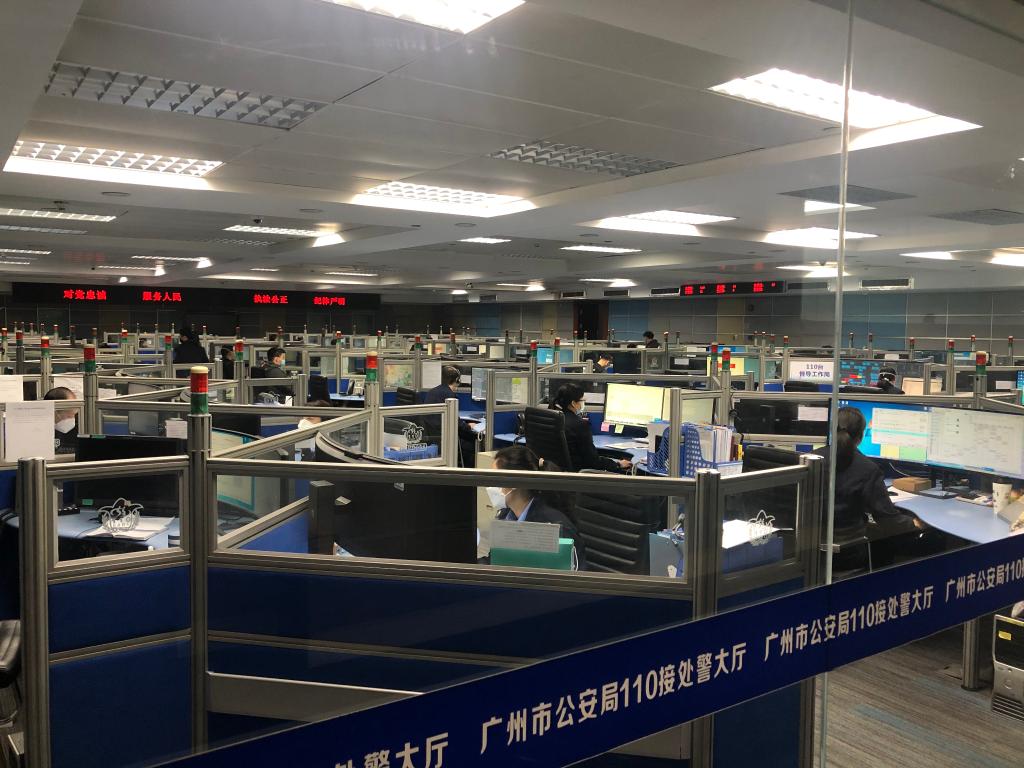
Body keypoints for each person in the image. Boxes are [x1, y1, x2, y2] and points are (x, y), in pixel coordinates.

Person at [825, 406, 926, 567]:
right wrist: (915, 523)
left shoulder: (813, 459)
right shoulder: (867, 469)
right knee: (888, 542)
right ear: (861, 435)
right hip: (847, 555)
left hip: (811, 553)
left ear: (831, 430)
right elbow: (889, 521)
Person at [489, 445, 587, 570]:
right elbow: (495, 560)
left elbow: (572, 575)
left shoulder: (555, 527)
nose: (490, 486)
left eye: (494, 479)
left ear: (514, 483)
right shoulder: (504, 516)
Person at [549, 382, 631, 472]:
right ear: (573, 403)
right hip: (580, 474)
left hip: (555, 472)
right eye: (582, 400)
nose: (584, 403)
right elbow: (593, 461)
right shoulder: (580, 424)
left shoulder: (553, 419)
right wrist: (617, 464)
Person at [423, 365, 479, 467]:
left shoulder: (432, 392)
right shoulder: (449, 395)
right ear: (457, 380)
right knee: (474, 439)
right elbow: (455, 423)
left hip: (434, 436)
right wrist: (468, 426)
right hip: (446, 437)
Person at [43, 386, 78, 454]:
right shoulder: (39, 433)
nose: (72, 416)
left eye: (74, 412)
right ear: (55, 411)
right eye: (69, 413)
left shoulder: (80, 429)